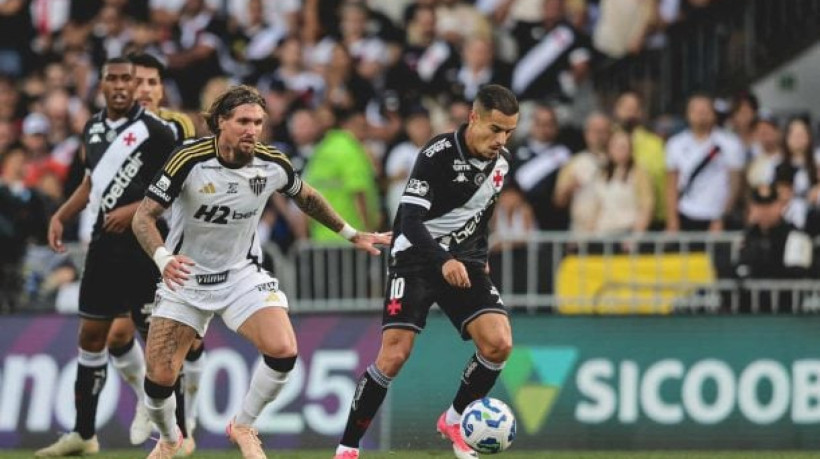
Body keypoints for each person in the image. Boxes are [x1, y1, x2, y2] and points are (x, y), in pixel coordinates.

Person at [130, 85, 390, 459]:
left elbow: (309, 198)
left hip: (240, 275)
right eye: (243, 122)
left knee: (283, 350)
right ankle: (171, 438)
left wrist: (351, 233)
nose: (252, 129)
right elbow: (144, 216)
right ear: (221, 122)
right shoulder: (188, 158)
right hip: (184, 277)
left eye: (258, 122)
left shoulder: (271, 163)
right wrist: (163, 258)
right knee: (159, 379)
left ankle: (244, 425)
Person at [332, 84, 519, 459]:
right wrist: (444, 260)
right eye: (495, 129)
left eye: (509, 132)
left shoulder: (501, 165)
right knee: (394, 356)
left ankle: (454, 419)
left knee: (499, 344)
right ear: (473, 118)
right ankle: (347, 448)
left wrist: (478, 259)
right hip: (416, 257)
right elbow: (410, 221)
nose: (501, 139)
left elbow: (481, 218)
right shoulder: (436, 154)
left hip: (463, 261)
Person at [35, 57, 177, 457]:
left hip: (145, 248)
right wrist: (62, 215)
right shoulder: (93, 126)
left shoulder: (156, 131)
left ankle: (171, 430)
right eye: (112, 78)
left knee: (155, 341)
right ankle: (83, 432)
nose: (119, 85)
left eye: (126, 80)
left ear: (136, 86)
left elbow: (175, 185)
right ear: (101, 83)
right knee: (91, 336)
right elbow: (90, 181)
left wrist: (133, 211)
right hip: (102, 246)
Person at [124, 51, 203, 454]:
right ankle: (161, 414)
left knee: (184, 340)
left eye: (152, 83)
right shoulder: (115, 129)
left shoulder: (177, 126)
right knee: (133, 333)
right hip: (128, 243)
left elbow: (183, 180)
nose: (145, 90)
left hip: (170, 241)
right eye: (138, 82)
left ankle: (181, 422)